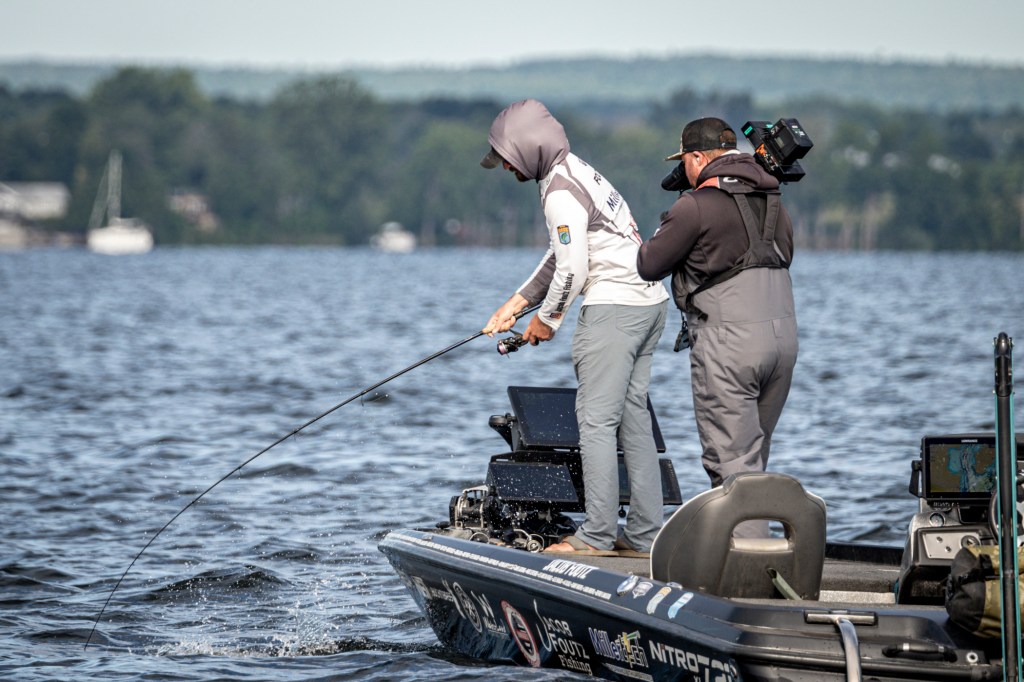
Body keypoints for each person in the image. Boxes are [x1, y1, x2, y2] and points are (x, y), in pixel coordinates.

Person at [479, 99, 669, 554]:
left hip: (613, 310)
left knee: (596, 422)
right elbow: (562, 252)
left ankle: (596, 536)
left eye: (507, 157)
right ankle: (644, 536)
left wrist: (546, 320)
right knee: (632, 419)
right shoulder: (576, 171)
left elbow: (573, 269)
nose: (504, 167)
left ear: (529, 148)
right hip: (649, 304)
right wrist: (517, 304)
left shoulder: (560, 192)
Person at [637, 117, 798, 536]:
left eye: (684, 162)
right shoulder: (775, 201)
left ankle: (746, 565)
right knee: (753, 459)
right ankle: (758, 549)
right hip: (782, 342)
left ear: (696, 157)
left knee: (732, 465)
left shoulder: (694, 206)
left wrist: (673, 218)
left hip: (730, 343)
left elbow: (648, 264)